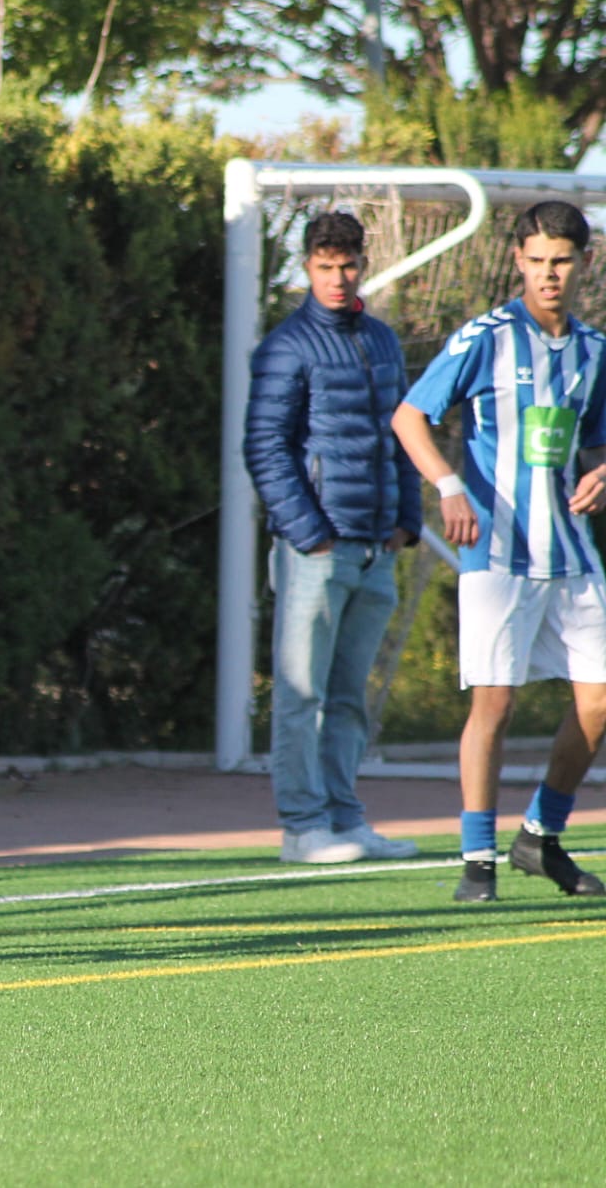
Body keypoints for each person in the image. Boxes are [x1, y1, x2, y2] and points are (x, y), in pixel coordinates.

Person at [392, 200, 606, 903]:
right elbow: (409, 417)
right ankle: (477, 858)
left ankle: (539, 835)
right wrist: (449, 485)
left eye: (562, 261)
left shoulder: (594, 351)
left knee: (600, 701)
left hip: (571, 554)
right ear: (518, 260)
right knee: (496, 703)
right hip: (497, 553)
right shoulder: (486, 338)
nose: (549, 274)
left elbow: (596, 444)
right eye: (537, 260)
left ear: (585, 263)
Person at [243, 211, 422, 865]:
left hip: (377, 548)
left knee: (349, 698)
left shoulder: (382, 340)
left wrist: (407, 520)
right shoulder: (286, 346)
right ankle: (302, 826)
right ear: (307, 268)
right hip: (315, 552)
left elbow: (402, 432)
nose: (338, 279)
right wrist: (310, 534)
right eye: (325, 267)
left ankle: (346, 819)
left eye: (347, 266)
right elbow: (265, 447)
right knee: (301, 695)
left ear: (363, 264)